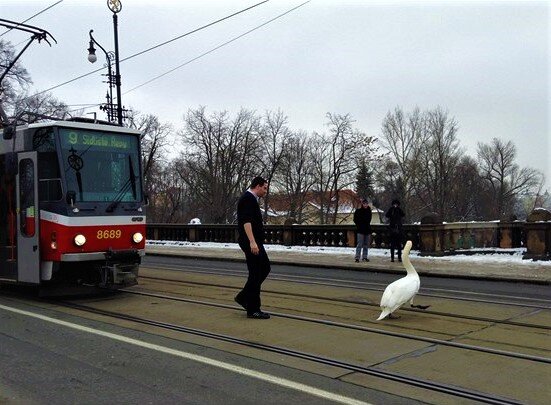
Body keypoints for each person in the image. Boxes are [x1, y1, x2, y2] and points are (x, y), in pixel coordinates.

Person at [234, 176, 271, 319]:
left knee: (263, 269)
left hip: (254, 242)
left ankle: (244, 297)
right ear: (257, 186)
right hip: (251, 242)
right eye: (265, 188)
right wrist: (252, 242)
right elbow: (246, 222)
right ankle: (253, 309)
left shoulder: (251, 199)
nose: (265, 191)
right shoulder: (248, 199)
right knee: (256, 273)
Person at [353, 198, 372, 262]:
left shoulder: (369, 211)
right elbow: (355, 219)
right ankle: (357, 257)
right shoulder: (358, 211)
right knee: (359, 244)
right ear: (362, 204)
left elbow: (369, 220)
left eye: (366, 204)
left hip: (367, 229)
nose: (365, 205)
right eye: (364, 204)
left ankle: (364, 256)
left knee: (366, 244)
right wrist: (359, 225)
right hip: (360, 230)